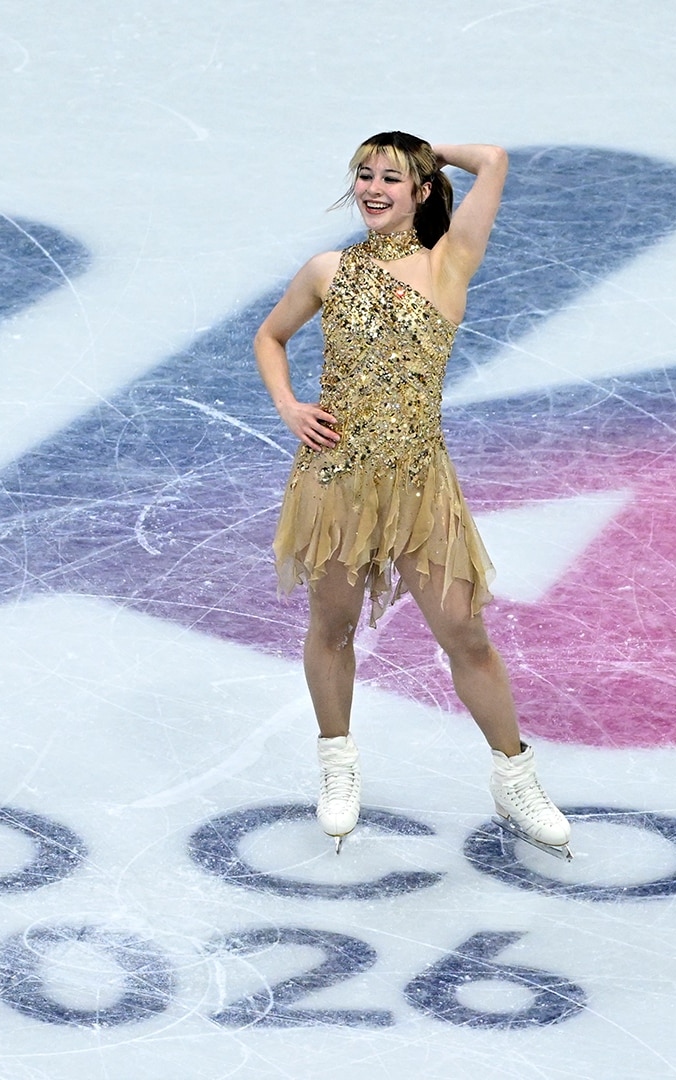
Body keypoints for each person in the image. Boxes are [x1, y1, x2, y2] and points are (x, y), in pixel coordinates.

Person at [252, 132, 571, 859]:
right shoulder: (326, 271)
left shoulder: (448, 264)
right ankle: (337, 762)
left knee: (464, 633)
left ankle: (514, 774)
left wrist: (426, 147)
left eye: (391, 177)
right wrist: (290, 407)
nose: (371, 187)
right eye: (363, 174)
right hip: (335, 479)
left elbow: (493, 159)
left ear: (423, 191)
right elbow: (269, 338)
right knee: (331, 626)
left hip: (421, 484)